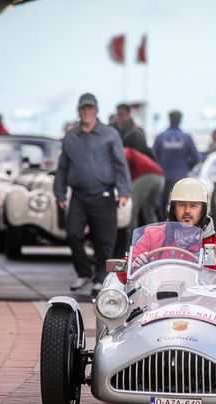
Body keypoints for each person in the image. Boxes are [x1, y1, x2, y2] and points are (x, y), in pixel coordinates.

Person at [54, 93, 131, 294]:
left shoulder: (110, 134)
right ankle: (83, 271)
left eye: (90, 109)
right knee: (72, 234)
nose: (87, 112)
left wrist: (123, 191)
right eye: (83, 109)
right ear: (79, 112)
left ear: (96, 111)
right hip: (78, 195)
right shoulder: (71, 137)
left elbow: (120, 165)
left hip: (104, 195)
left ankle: (100, 278)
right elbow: (62, 167)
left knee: (104, 240)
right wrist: (59, 193)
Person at [131, 177, 216, 270]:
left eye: (193, 206)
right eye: (181, 205)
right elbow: (125, 271)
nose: (187, 210)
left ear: (203, 211)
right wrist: (135, 266)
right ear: (173, 209)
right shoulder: (152, 235)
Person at [153, 110, 201, 214]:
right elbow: (196, 158)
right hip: (180, 178)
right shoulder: (187, 138)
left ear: (169, 119)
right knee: (179, 206)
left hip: (163, 177)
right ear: (180, 120)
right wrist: (186, 167)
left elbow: (153, 157)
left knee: (163, 206)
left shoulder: (160, 137)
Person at [124, 146, 165, 233]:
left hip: (144, 175)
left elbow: (125, 161)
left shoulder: (125, 151)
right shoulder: (133, 152)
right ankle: (157, 240)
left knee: (132, 210)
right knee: (149, 210)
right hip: (160, 176)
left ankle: (131, 242)